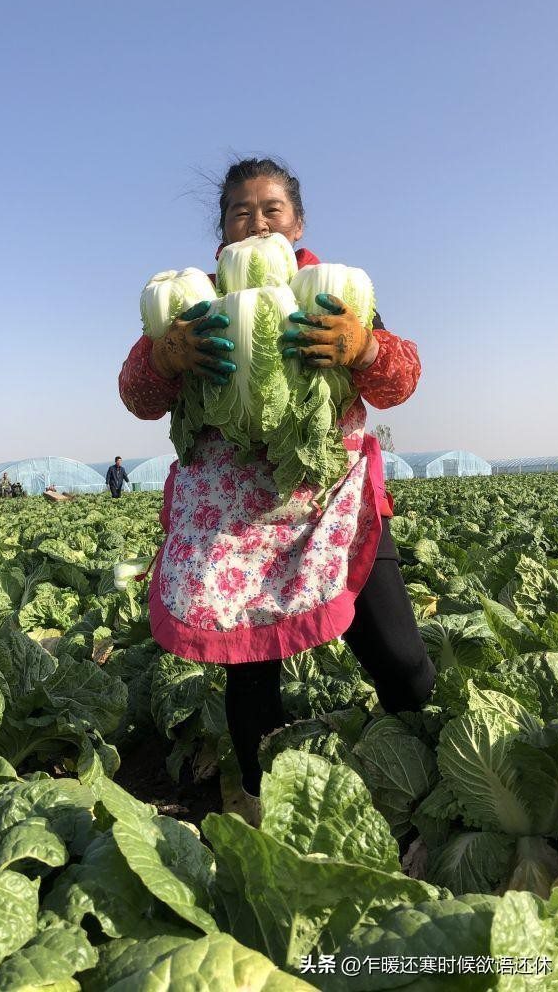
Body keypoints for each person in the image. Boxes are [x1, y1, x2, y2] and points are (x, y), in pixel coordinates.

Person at [119, 157, 436, 824]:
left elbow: (399, 379)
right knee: (252, 670)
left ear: (297, 223)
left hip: (333, 503)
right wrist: (164, 357)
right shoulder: (192, 301)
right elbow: (137, 396)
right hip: (237, 525)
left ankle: (427, 788)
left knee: (403, 665)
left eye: (272, 209)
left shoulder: (336, 288)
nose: (257, 221)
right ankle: (264, 805)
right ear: (223, 230)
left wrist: (366, 347)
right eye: (242, 210)